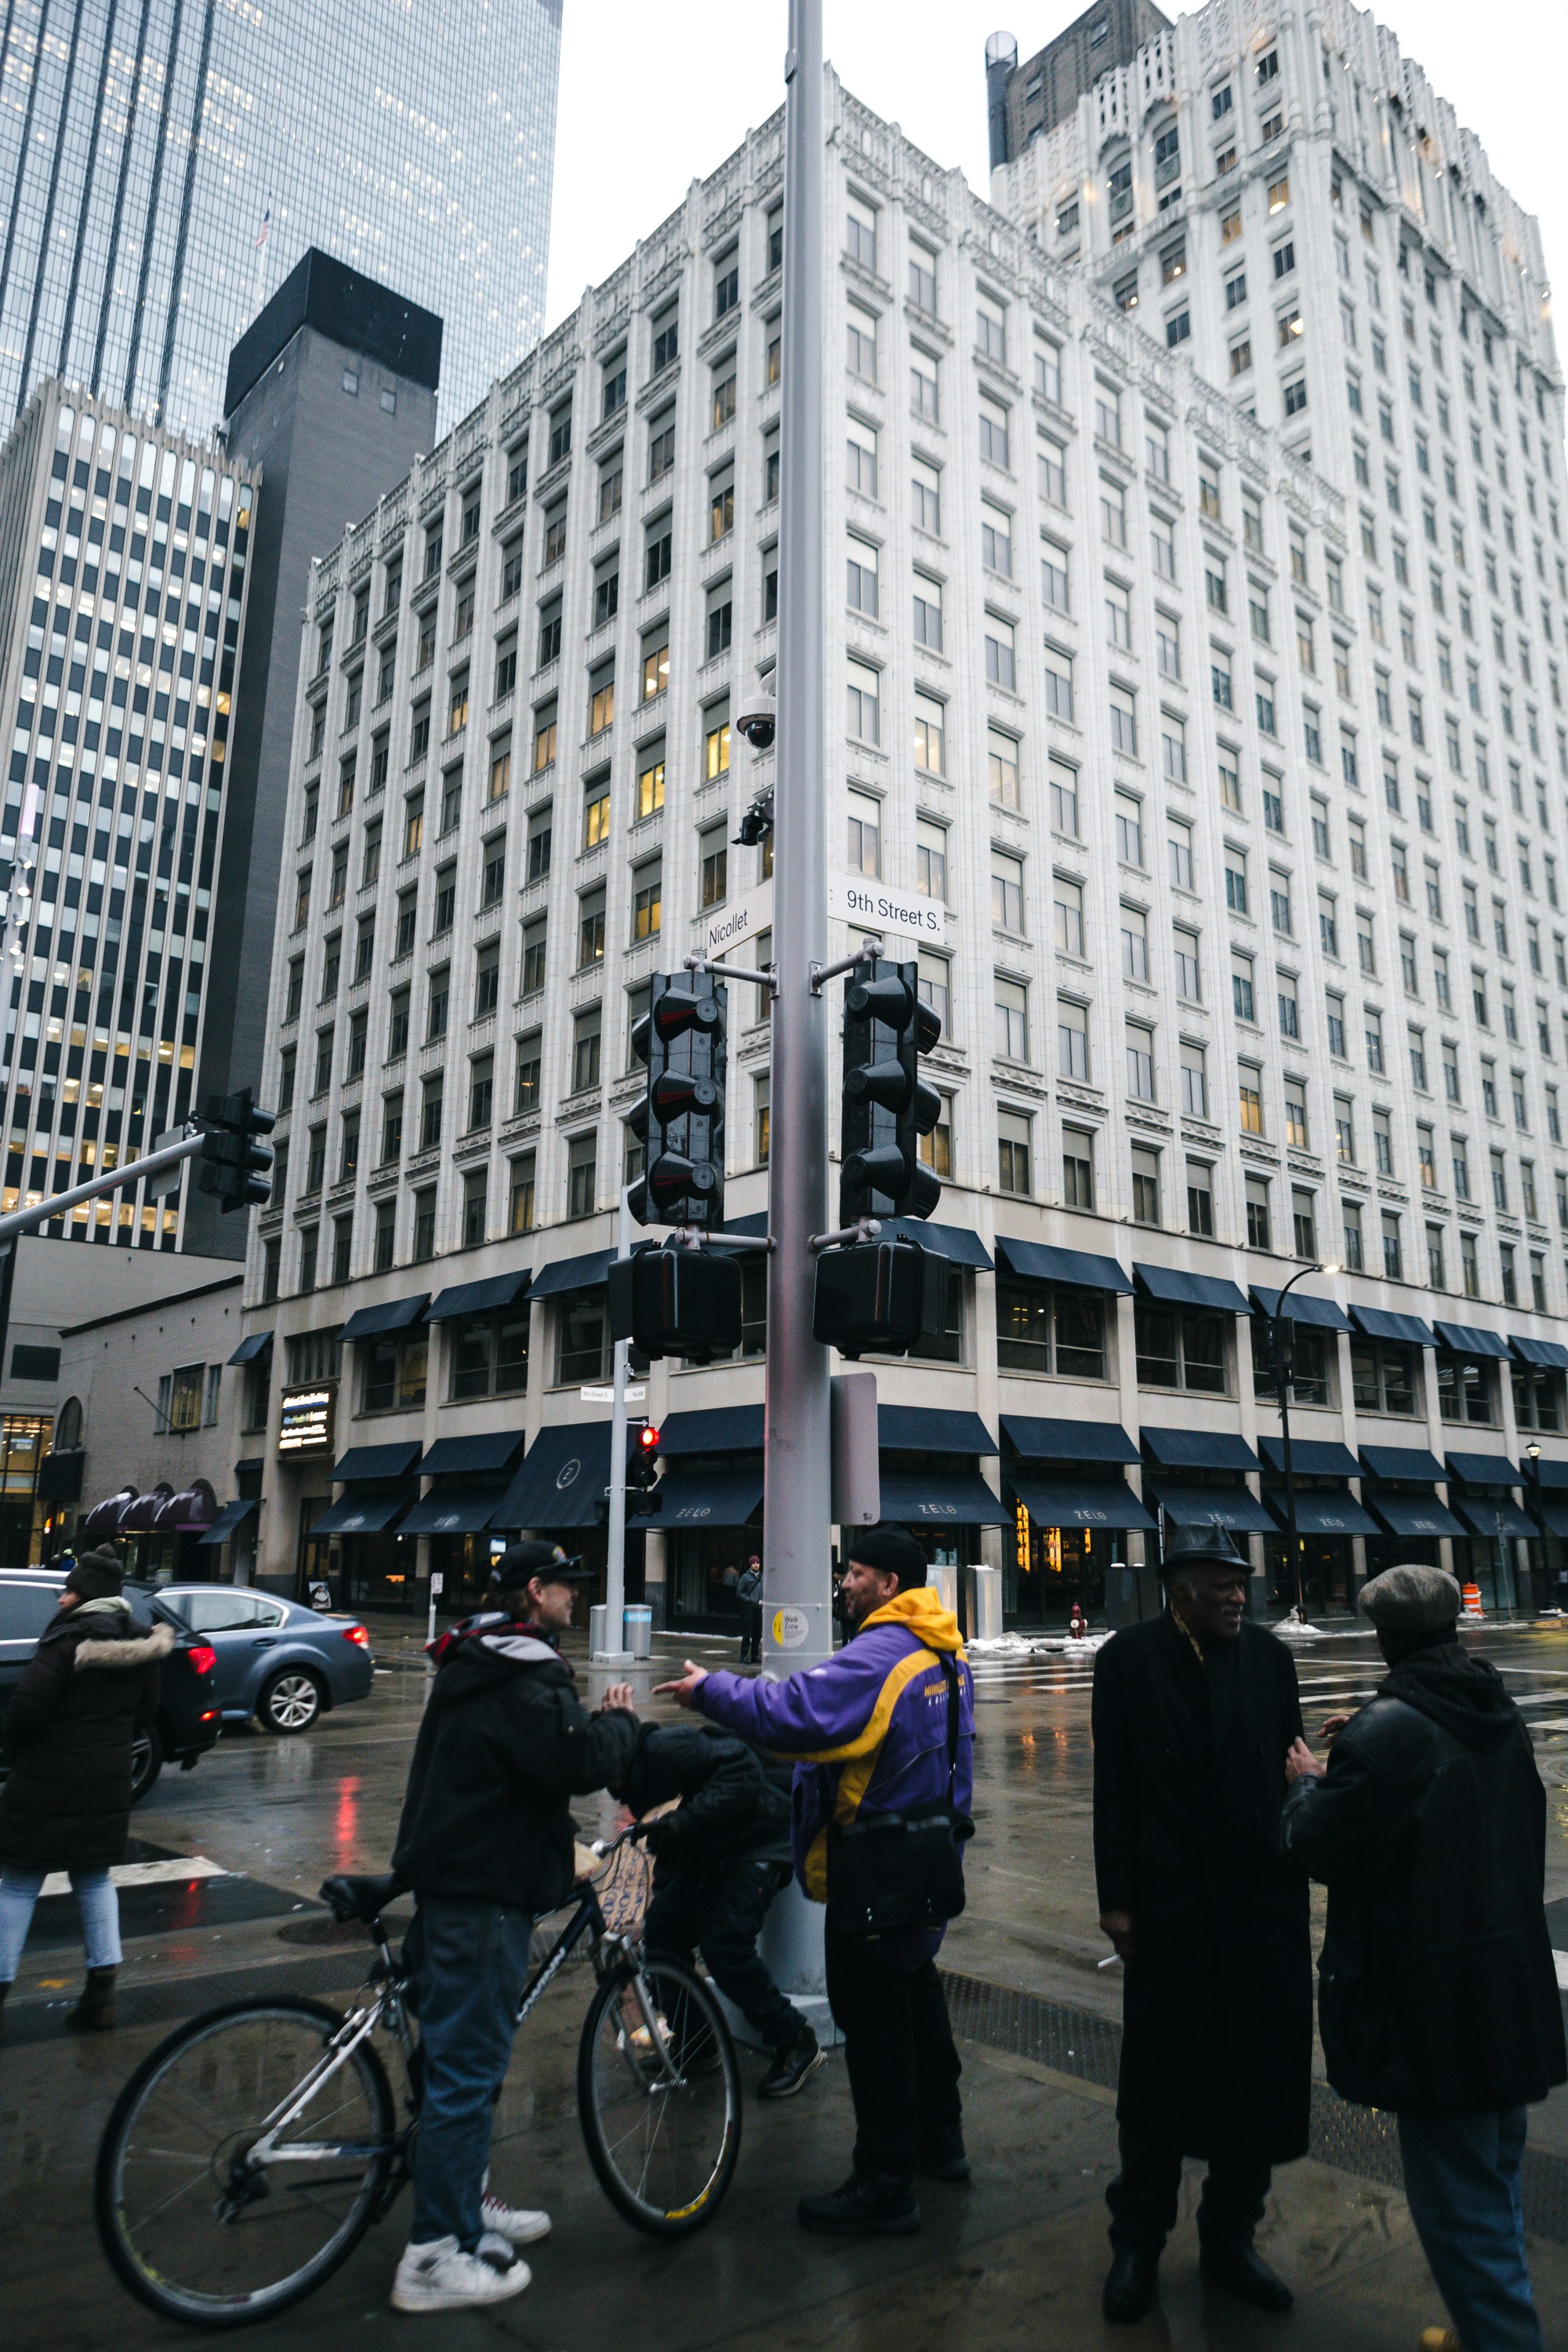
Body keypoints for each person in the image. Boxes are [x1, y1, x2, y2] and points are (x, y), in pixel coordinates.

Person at [658, 1523, 974, 2238]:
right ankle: (941, 2142)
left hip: (873, 1872)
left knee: (875, 2029)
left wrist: (711, 1692)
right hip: (927, 1864)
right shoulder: (946, 1653)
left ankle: (885, 2182)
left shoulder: (882, 1655)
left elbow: (792, 1714)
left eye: (857, 1573)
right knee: (920, 2004)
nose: (846, 1583)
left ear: (890, 1584)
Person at [1280, 1564, 1566, 2352]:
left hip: (1436, 2005)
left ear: (1383, 1635)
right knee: (1492, 2179)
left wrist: (1307, 1785)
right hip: (1504, 1985)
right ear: (1451, 1629)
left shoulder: (1390, 1728)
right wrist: (1371, 1727)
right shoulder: (1489, 1706)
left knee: (1457, 2215)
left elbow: (1321, 1844)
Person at [387, 1541, 641, 2314]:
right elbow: (569, 1760)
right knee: (466, 2073)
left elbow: (507, 1773)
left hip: (453, 1874)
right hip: (480, 1893)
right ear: (535, 1591)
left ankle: (464, 2210)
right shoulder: (525, 1669)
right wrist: (618, 1724)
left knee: (457, 2065)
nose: (574, 1600)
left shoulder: (475, 1657)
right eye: (567, 1588)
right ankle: (432, 2255)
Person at [1091, 1523, 1310, 2324]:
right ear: (1177, 1587)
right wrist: (1115, 1898)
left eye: (1239, 1582)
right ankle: (1136, 2246)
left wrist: (1319, 1783)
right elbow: (1112, 1789)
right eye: (1218, 1584)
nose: (1235, 1596)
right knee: (1158, 2084)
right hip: (1170, 1908)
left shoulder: (1270, 1659)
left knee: (1253, 2079)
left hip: (1260, 1908)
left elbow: (1290, 1771)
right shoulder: (1126, 1662)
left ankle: (1230, 2240)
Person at [0, 1545, 172, 2031]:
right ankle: (101, 1995)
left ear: (87, 1598)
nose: (60, 1599)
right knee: (94, 1880)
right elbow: (145, 1715)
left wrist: (18, 1749)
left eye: (69, 1591)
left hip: (44, 1782)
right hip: (106, 1781)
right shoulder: (142, 1648)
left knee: (17, 1883)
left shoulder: (64, 1644)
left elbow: (25, 1713)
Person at [609, 1718, 823, 2096]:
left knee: (723, 1941)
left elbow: (742, 1773)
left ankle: (796, 2039)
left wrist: (681, 1825)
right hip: (725, 1839)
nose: (623, 1803)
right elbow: (684, 1828)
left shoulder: (662, 1750)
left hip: (762, 1835)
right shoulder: (648, 1764)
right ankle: (697, 2045)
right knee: (663, 1929)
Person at [735, 1554, 764, 1665]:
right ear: (750, 1565)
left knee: (757, 1633)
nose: (756, 1565)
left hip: (759, 1608)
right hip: (749, 1608)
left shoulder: (762, 1576)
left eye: (757, 1563)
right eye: (754, 1563)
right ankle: (744, 1656)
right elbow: (739, 1593)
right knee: (747, 1632)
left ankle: (755, 1655)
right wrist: (749, 1600)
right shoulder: (745, 1577)